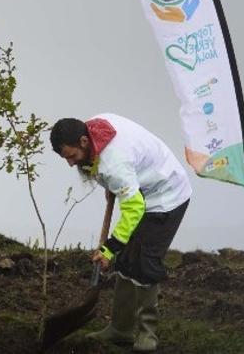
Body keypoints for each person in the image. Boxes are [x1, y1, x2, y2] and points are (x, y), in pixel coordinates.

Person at [50, 114, 191, 352]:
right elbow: (118, 179)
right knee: (126, 260)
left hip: (166, 195)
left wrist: (109, 248)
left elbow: (134, 207)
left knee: (145, 263)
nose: (71, 164)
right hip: (140, 188)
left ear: (84, 141)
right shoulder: (94, 127)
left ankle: (148, 334)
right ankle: (120, 329)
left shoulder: (114, 163)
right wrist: (114, 187)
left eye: (72, 157)